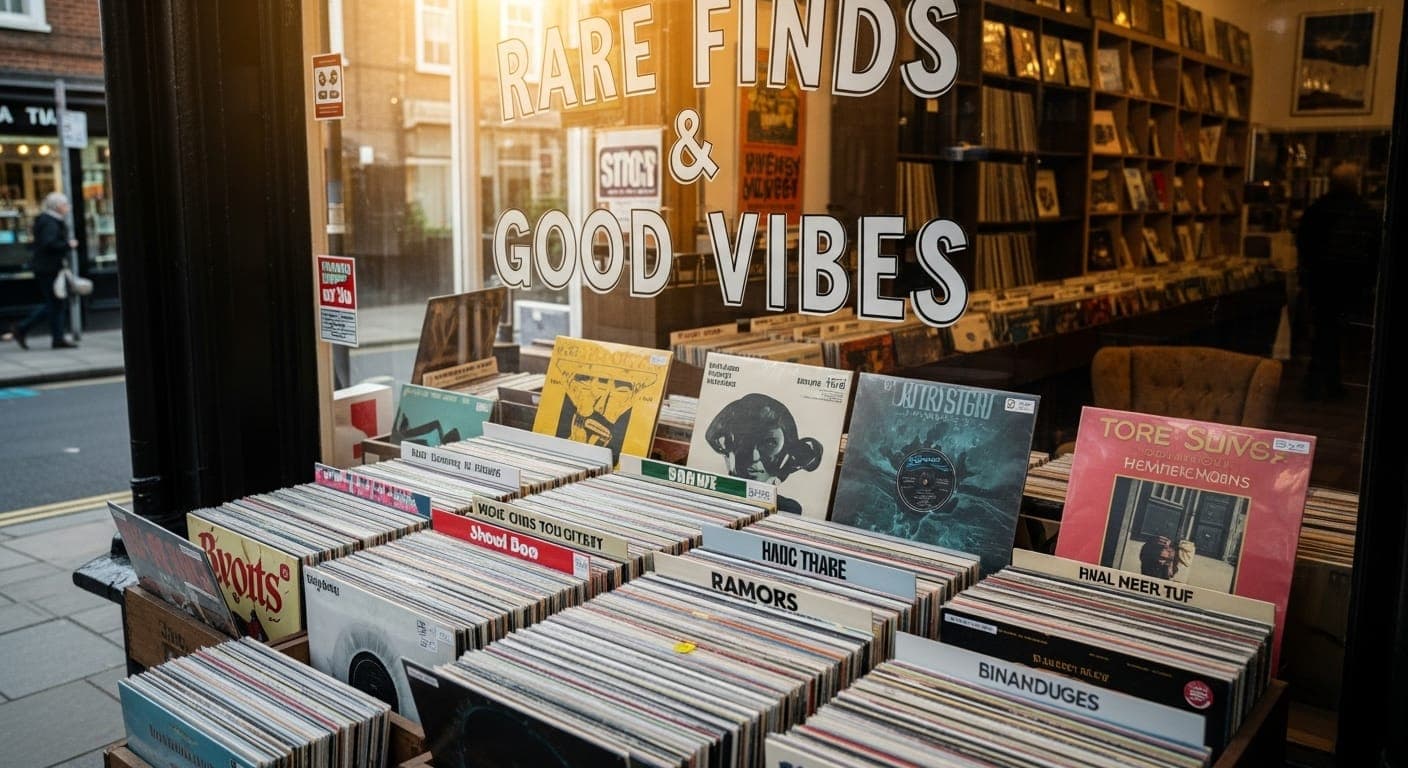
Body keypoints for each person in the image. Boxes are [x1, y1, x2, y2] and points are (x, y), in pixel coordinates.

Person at [1295, 161, 1380, 400]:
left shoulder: (1317, 209)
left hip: (1322, 282)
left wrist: (1309, 274)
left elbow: (1304, 244)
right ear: (1356, 183)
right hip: (1351, 284)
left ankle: (1316, 382)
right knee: (1339, 335)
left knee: (1324, 332)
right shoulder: (1364, 212)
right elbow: (1374, 249)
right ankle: (1330, 383)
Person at [703, 393, 823, 514]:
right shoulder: (707, 498)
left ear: (787, 450)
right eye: (744, 441)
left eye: (770, 444)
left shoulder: (789, 509)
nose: (754, 457)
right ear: (726, 445)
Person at [7, 191, 78, 350]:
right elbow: (49, 243)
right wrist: (68, 245)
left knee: (55, 303)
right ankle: (25, 328)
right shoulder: (50, 222)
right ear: (58, 206)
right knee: (55, 303)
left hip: (48, 268)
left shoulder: (49, 220)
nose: (68, 207)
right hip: (49, 268)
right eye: (65, 204)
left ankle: (54, 337)